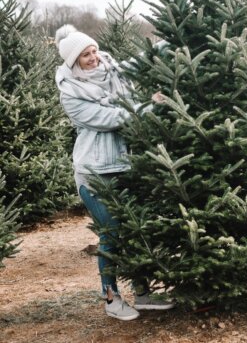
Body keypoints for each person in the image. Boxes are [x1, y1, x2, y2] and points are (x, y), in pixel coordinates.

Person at [55, 24, 172, 321]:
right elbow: (110, 119)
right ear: (73, 61)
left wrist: (167, 41)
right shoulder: (71, 93)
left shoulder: (110, 67)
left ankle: (143, 294)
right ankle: (111, 298)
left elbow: (136, 63)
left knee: (137, 229)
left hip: (124, 165)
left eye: (94, 50)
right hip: (94, 173)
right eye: (85, 55)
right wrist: (148, 105)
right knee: (112, 234)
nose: (93, 57)